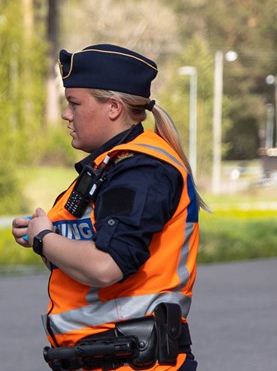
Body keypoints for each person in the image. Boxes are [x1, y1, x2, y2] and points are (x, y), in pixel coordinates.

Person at [10, 44, 202, 370]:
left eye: (74, 103)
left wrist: (46, 239)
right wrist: (43, 237)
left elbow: (107, 266)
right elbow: (87, 262)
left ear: (113, 107)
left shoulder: (141, 170)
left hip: (134, 362)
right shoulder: (109, 165)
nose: (65, 114)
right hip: (103, 358)